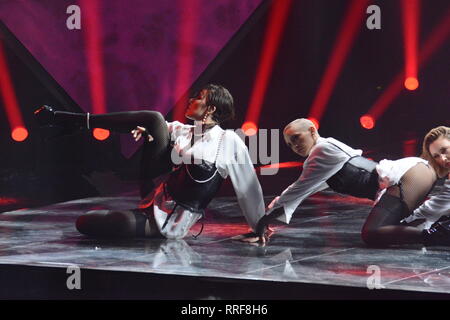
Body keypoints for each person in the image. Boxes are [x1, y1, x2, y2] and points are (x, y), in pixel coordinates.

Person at [34, 84, 265, 239]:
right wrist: (148, 134)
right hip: (153, 194)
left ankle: (72, 122)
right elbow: (155, 126)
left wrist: (259, 227)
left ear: (211, 108)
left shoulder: (228, 141)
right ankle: (70, 121)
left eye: (199, 98)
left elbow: (248, 188)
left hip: (170, 223)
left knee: (86, 222)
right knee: (154, 119)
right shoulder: (182, 131)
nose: (191, 99)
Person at [242, 120, 448, 247]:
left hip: (407, 176)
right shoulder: (326, 150)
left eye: (297, 137)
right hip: (413, 174)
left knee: (372, 233)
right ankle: (440, 231)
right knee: (397, 227)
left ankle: (441, 236)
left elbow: (298, 189)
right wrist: (267, 219)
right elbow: (302, 191)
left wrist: (262, 222)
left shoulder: (320, 151)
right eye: (289, 143)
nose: (294, 145)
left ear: (313, 131)